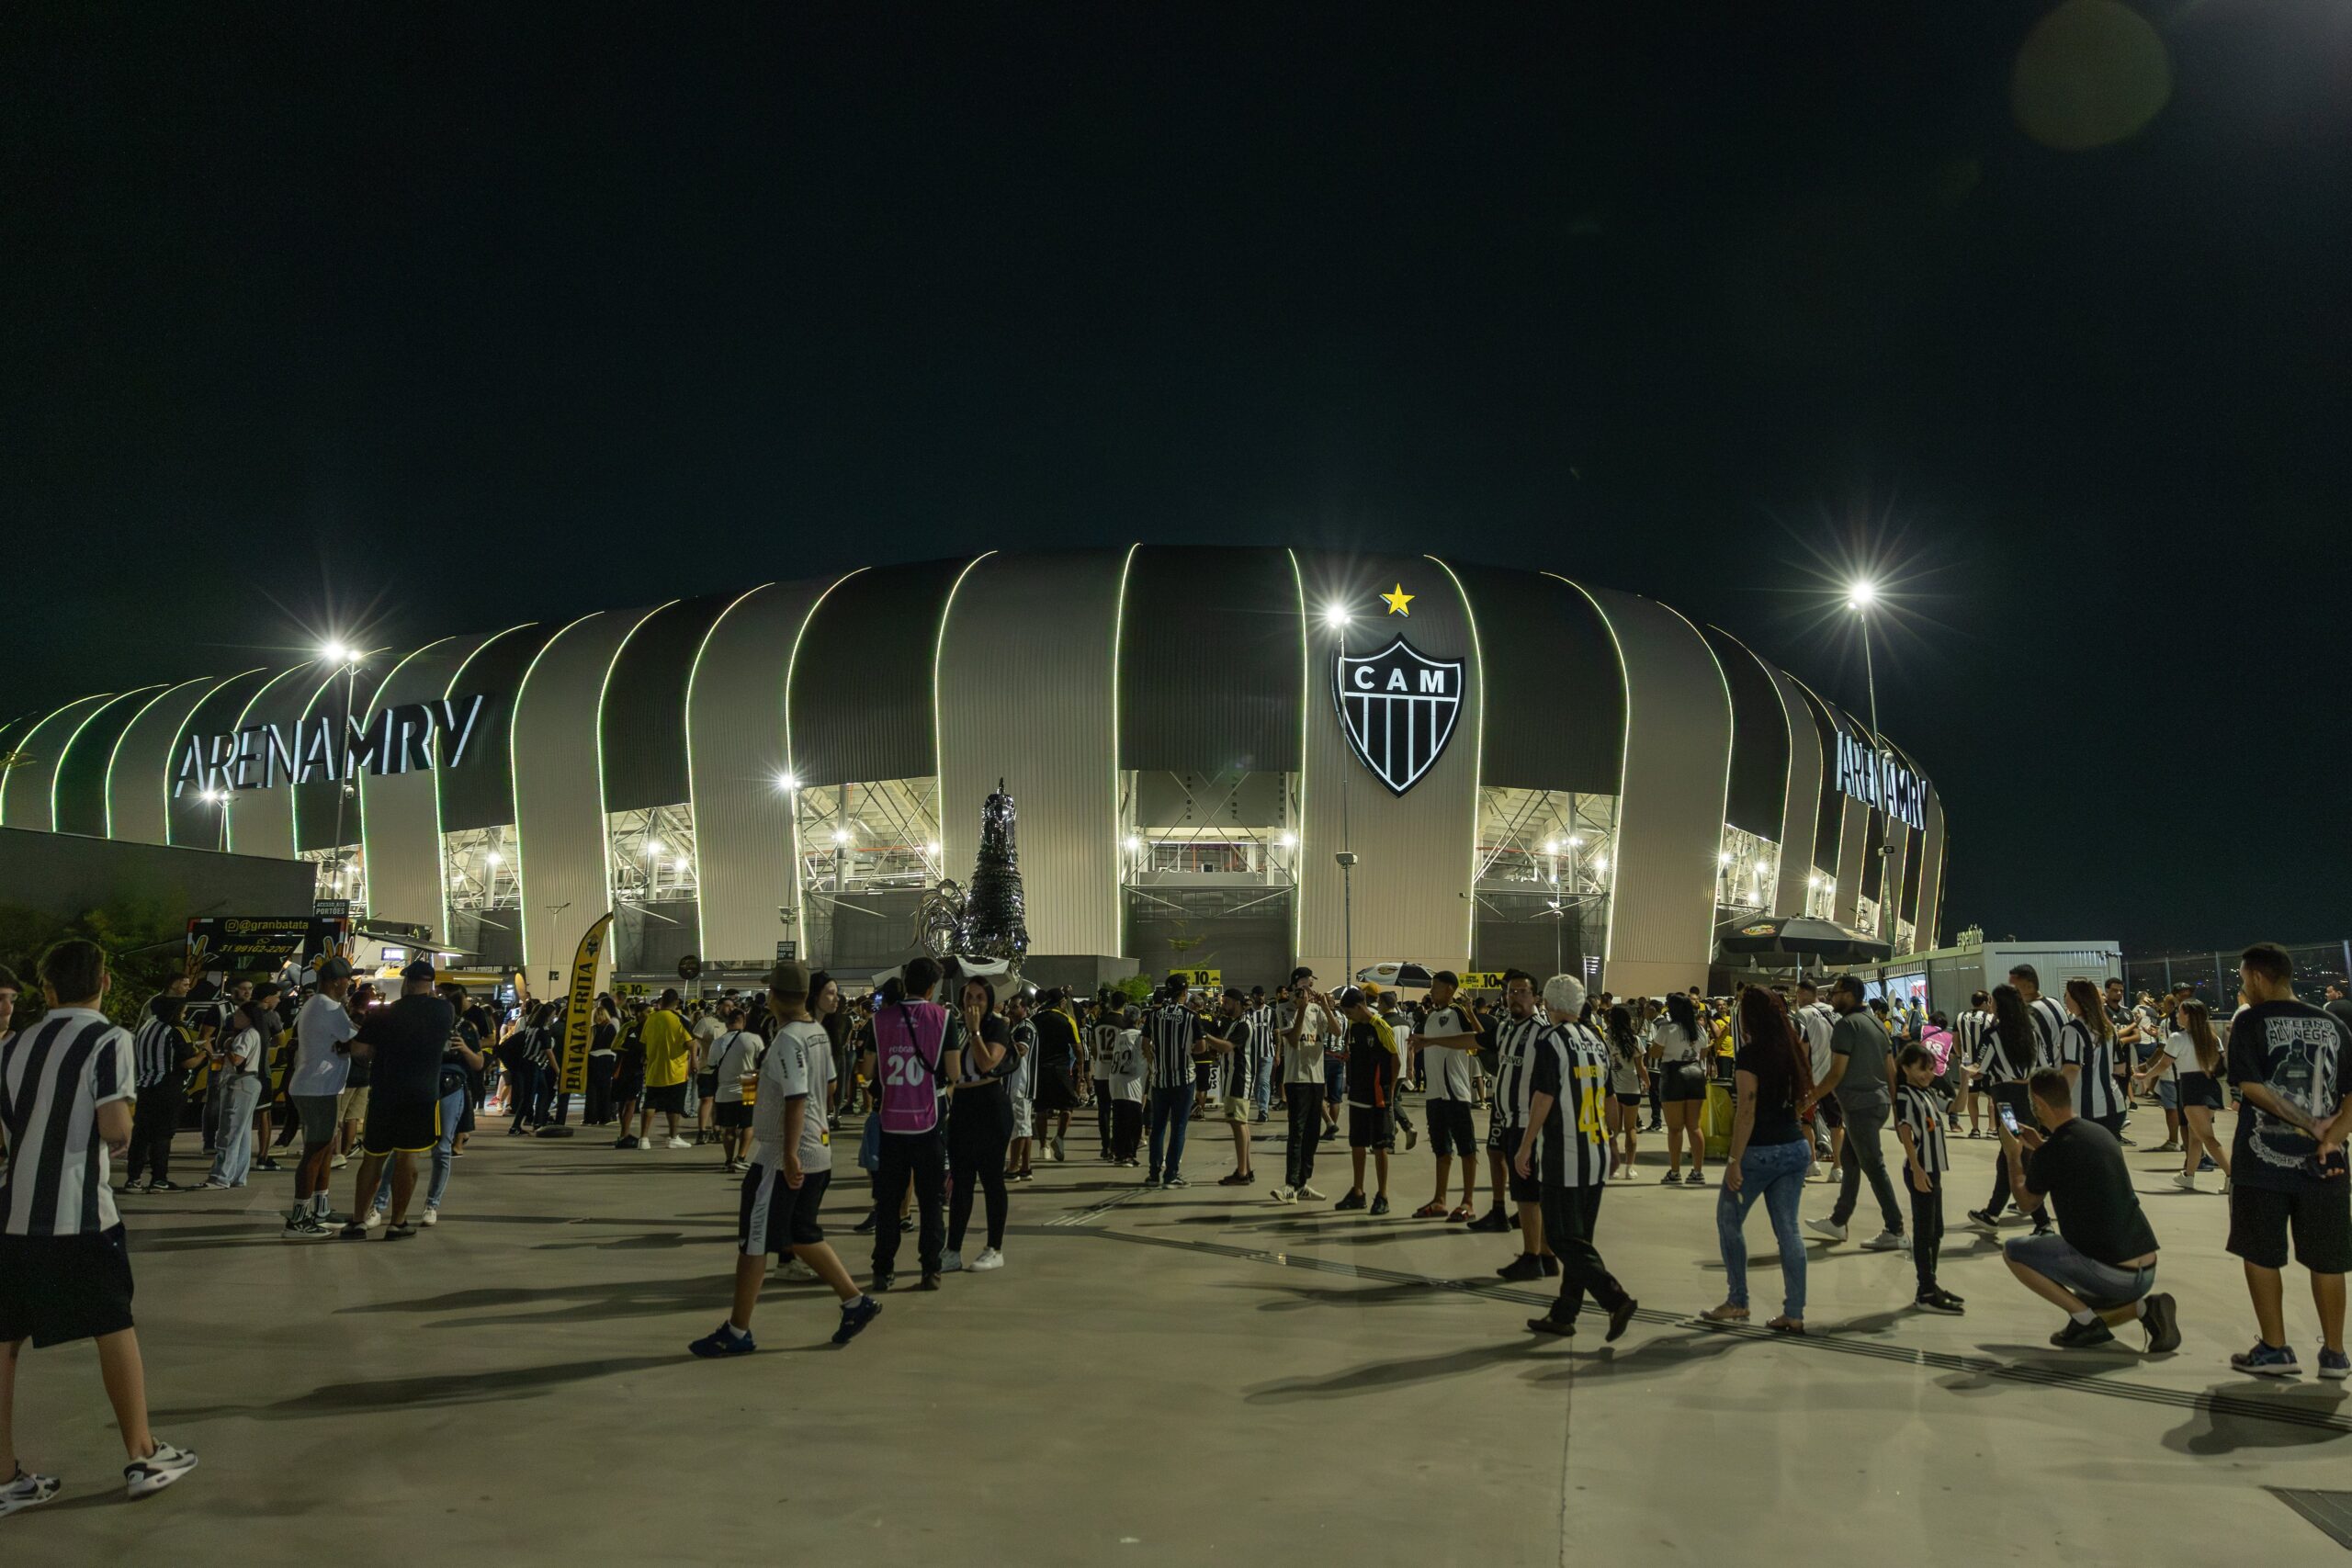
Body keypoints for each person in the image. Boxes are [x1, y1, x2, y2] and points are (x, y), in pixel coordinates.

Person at [1, 941, 200, 1511]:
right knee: (112, 1325)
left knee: (4, 1341)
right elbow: (115, 1126)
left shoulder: (15, 1045)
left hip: (12, 1214)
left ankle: (4, 1477)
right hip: (80, 1215)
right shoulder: (109, 1039)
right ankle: (142, 1453)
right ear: (105, 983)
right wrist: (119, 1135)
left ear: (47, 988)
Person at [688, 960, 882, 1354]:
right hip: (817, 1149)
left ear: (774, 996)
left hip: (781, 1156)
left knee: (754, 1240)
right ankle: (855, 1301)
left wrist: (790, 1152)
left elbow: (796, 1097)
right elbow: (826, 1086)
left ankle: (738, 1331)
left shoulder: (788, 1039)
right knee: (799, 1232)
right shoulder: (817, 1034)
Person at [2223, 942, 2351, 1380]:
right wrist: (2330, 1138)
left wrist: (2307, 1123)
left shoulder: (2250, 1021)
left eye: (2243, 979)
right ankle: (2335, 1354)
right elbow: (2350, 1097)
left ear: (2258, 977)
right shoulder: (2334, 1024)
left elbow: (2251, 1087)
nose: (2244, 987)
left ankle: (2276, 1348)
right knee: (2328, 1258)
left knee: (2261, 1253)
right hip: (2326, 1165)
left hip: (2263, 1162)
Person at [1994, 1067, 2177, 1353]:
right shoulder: (2098, 1133)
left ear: (2038, 1104)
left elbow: (2027, 1202)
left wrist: (2013, 1155)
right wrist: (2039, 1146)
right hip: (2146, 1265)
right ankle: (2144, 1308)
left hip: (2112, 1274)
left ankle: (2085, 1322)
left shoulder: (2052, 1152)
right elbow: (2071, 1159)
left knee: (2014, 1252)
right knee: (2086, 1297)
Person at [1515, 974, 1637, 1341]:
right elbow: (1609, 1098)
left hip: (1564, 1153)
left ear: (1548, 1005)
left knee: (1561, 1237)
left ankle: (1615, 1299)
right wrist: (1613, 1144)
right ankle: (1564, 1313)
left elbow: (1544, 1098)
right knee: (1580, 1238)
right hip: (1596, 1150)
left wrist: (1525, 1146)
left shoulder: (1551, 1040)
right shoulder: (1595, 1040)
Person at [1705, 987, 1811, 1333]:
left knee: (1728, 1219)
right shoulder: (1792, 1049)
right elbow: (1803, 1097)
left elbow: (1746, 1109)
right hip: (1794, 1147)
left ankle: (1738, 1300)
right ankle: (1793, 1312)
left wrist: (1734, 1159)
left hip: (1759, 1153)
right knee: (1789, 1230)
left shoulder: (1750, 1055)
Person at [858, 958, 959, 1292]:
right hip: (928, 1120)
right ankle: (930, 1269)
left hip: (891, 1121)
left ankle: (882, 1269)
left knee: (888, 1201)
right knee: (931, 1201)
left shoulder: (879, 1020)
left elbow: (869, 1071)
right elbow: (954, 1072)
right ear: (932, 987)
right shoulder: (944, 1019)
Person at [337, 961, 457, 1241]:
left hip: (384, 1092)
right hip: (422, 1094)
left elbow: (359, 1051)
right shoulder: (444, 1011)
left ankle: (357, 1221)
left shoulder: (384, 1014)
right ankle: (398, 1222)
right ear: (431, 984)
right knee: (408, 1159)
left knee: (373, 1159)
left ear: (406, 982)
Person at [1801, 975, 1905, 1252]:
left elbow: (1835, 1074)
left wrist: (1808, 1099)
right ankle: (1838, 1220)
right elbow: (1891, 1069)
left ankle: (1895, 1229)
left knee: (1874, 1166)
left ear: (1848, 994)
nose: (1830, 997)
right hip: (1878, 1103)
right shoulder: (1875, 1023)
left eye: (1834, 992)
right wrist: (1896, 1108)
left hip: (1860, 1106)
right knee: (1849, 1159)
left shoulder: (1846, 1026)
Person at [1484, 973, 1557, 1279]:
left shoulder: (1541, 1034)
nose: (1514, 997)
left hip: (1529, 1123)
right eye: (1510, 992)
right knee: (1533, 1193)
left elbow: (1548, 1087)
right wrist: (1432, 1042)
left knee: (1528, 1194)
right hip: (1515, 1120)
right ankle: (1546, 1255)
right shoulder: (1508, 1030)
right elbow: (1476, 1040)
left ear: (1536, 998)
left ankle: (1532, 1257)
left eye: (1522, 992)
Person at [282, 959, 361, 1237]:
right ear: (335, 981)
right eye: (348, 979)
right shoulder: (327, 1006)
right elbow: (357, 1041)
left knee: (325, 1148)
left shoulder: (318, 1004)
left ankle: (321, 1209)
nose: (350, 984)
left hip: (320, 1085)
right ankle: (299, 1219)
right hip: (317, 1088)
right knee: (315, 1152)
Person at [1965, 984, 2052, 1236]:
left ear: (1999, 1006)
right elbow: (2045, 1064)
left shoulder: (1994, 1034)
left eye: (1993, 1002)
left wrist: (1966, 1071)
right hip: (2028, 1100)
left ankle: (2039, 1220)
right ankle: (1993, 1214)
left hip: (2005, 1103)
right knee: (2014, 1156)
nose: (1990, 1006)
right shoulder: (2031, 1033)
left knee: (2013, 1156)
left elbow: (1980, 1068)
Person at [942, 976, 1014, 1274]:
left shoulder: (997, 1025)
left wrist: (974, 1032)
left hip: (990, 1107)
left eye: (979, 997)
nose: (972, 1003)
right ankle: (953, 1249)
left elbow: (987, 1064)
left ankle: (994, 1248)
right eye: (968, 996)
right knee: (961, 1182)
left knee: (991, 1179)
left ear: (989, 1001)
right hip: (962, 1106)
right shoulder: (953, 1026)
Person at [1894, 1043, 1963, 1314]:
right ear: (1906, 1068)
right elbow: (1906, 1132)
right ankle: (1925, 1290)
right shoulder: (1904, 1095)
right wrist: (1916, 1168)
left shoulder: (1928, 1093)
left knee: (1937, 1230)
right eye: (1921, 1068)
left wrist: (1966, 1078)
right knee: (1925, 1232)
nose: (1927, 1074)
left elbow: (1955, 1105)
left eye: (1930, 1069)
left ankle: (1931, 1284)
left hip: (1932, 1170)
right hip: (1921, 1169)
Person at [2139, 998, 2230, 1193]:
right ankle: (2188, 1176)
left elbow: (2164, 1064)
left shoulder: (2177, 1038)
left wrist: (2145, 1076)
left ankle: (2232, 1177)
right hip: (2210, 1085)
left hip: (2192, 1087)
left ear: (2188, 1015)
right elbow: (2223, 1061)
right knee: (2196, 1135)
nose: (2177, 1015)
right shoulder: (2212, 1038)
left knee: (2206, 1137)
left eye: (2180, 1012)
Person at [1412, 972, 1482, 1217]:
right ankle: (1439, 1200)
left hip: (1456, 1091)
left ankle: (1468, 1202)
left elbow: (1479, 1039)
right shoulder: (1430, 1016)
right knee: (1441, 1148)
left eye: (1436, 987)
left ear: (1450, 989)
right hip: (1435, 1093)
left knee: (1467, 1147)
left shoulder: (1458, 1013)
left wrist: (1471, 1013)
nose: (1431, 991)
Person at [124, 977, 200, 1194]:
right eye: (183, 1011)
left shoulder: (147, 1026)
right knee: (162, 1135)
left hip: (145, 1085)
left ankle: (133, 1180)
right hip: (168, 1087)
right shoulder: (176, 1029)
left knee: (140, 1135)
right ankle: (159, 1179)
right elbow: (188, 1061)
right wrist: (205, 1053)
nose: (184, 1014)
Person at [1333, 987, 1398, 1214]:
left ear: (1360, 1007)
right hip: (1357, 1093)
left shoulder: (1381, 1027)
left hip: (1378, 1095)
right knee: (1357, 1143)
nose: (1347, 1016)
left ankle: (1383, 1195)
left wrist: (1389, 1091)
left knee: (1379, 1146)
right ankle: (1358, 1191)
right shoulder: (1353, 1026)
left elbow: (1395, 1059)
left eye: (1349, 1012)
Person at [1271, 980, 1333, 1202]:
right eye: (1299, 991)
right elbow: (1295, 1039)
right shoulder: (1284, 1010)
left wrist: (1324, 1005)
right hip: (1296, 1079)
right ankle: (1291, 1183)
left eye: (1307, 990)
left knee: (1312, 1132)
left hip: (1316, 1078)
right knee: (1297, 1131)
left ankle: (1302, 1183)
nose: (1304, 994)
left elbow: (1336, 1031)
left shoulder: (1317, 1010)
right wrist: (1303, 1008)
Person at [201, 1001, 266, 1190]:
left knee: (229, 1131)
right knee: (243, 1133)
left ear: (248, 1018)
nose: (234, 1018)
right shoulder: (255, 1033)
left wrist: (227, 1046)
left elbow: (238, 1059)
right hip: (250, 1083)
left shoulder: (247, 1035)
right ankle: (238, 1175)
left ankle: (220, 1177)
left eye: (238, 1015)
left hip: (240, 1082)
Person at [1646, 991, 1710, 1184]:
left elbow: (1655, 1054)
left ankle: (1675, 1172)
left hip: (1673, 1076)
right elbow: (1704, 1053)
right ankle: (1697, 1172)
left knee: (1675, 1129)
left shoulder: (1667, 1029)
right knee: (1694, 1126)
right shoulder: (1699, 1029)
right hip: (1695, 1074)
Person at [1143, 976, 1200, 1189]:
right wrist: (1187, 1052)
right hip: (1183, 1079)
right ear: (1184, 992)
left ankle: (1153, 1173)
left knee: (1158, 1127)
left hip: (1160, 1079)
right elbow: (1201, 1046)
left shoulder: (1153, 1016)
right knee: (1178, 1127)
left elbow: (1145, 1044)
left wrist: (1154, 1063)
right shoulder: (1190, 1016)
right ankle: (1171, 1174)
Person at [1199, 989, 1257, 1187]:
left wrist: (1204, 1035)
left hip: (1239, 1078)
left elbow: (1226, 1047)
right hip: (1235, 1077)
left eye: (1228, 1002)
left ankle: (1241, 1172)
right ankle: (1246, 1169)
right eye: (1224, 1001)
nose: (1224, 1005)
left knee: (1238, 1123)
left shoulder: (1243, 1025)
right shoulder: (1234, 1023)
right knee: (1241, 1123)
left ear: (1239, 1004)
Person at [2058, 977, 2128, 1137]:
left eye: (2067, 995)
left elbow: (2071, 1068)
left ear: (2077, 998)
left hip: (2087, 1109)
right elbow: (2120, 1068)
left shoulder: (2072, 1029)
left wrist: (2058, 1102)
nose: (2066, 999)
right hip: (2116, 1106)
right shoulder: (2108, 1027)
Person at [632, 990, 695, 1150]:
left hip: (654, 1069)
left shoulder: (651, 1019)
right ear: (677, 1002)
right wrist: (693, 1061)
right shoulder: (680, 1020)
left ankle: (644, 1139)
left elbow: (643, 1042)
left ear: (661, 1001)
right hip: (676, 1070)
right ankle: (673, 1137)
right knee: (674, 1105)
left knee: (650, 1103)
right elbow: (689, 1043)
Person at [710, 1005, 764, 1175]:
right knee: (748, 1124)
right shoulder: (753, 1039)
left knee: (729, 1128)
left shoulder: (718, 1042)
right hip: (748, 1083)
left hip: (724, 1089)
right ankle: (741, 1158)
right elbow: (762, 1059)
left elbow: (712, 1065)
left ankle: (728, 1159)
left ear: (727, 1023)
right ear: (743, 1021)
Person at [1030, 989, 1083, 1163]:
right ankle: (1059, 1137)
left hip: (1040, 1068)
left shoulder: (1034, 1019)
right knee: (1067, 1107)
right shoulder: (1066, 1020)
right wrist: (1080, 1071)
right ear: (1060, 1002)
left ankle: (1043, 1146)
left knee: (1040, 1109)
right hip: (1061, 1069)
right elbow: (1078, 1048)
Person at [1792, 978, 1838, 1179]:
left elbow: (1802, 1047)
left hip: (1812, 1078)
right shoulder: (1835, 1012)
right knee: (1837, 1123)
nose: (1796, 999)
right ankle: (1838, 1167)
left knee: (1804, 1120)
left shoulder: (1803, 1014)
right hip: (1835, 1077)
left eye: (1797, 994)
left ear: (1804, 993)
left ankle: (1813, 1163)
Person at [1002, 988, 1039, 1182]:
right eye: (1010, 1006)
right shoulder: (1018, 1027)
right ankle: (1025, 1166)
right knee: (1024, 1127)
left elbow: (1021, 1050)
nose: (1010, 1009)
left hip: (1020, 1083)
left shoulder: (1025, 1028)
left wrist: (1003, 1040)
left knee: (1020, 1128)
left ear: (1025, 1009)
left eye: (1015, 1007)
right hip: (1019, 1083)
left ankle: (1014, 1167)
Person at [1103, 1008, 1146, 1168]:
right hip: (1131, 1082)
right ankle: (1127, 1154)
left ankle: (1118, 1152)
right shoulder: (1138, 1036)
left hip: (1115, 1079)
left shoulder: (1119, 1035)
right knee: (1133, 1120)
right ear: (1138, 1020)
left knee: (1120, 1118)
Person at [1953, 991, 1994, 1137]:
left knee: (1972, 1096)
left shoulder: (1960, 1017)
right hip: (1988, 1065)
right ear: (1984, 1002)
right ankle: (1991, 1128)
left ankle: (1975, 1129)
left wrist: (1961, 1057)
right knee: (1991, 1096)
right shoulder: (1990, 1018)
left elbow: (1955, 1040)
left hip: (1967, 1063)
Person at [691, 998, 727, 1146]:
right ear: (718, 1007)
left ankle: (716, 1130)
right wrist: (693, 1060)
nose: (730, 1008)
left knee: (719, 1101)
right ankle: (702, 1131)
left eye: (733, 1006)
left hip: (725, 1069)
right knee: (706, 1099)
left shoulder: (731, 1025)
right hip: (706, 1067)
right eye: (727, 1005)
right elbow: (694, 1041)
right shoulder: (706, 1022)